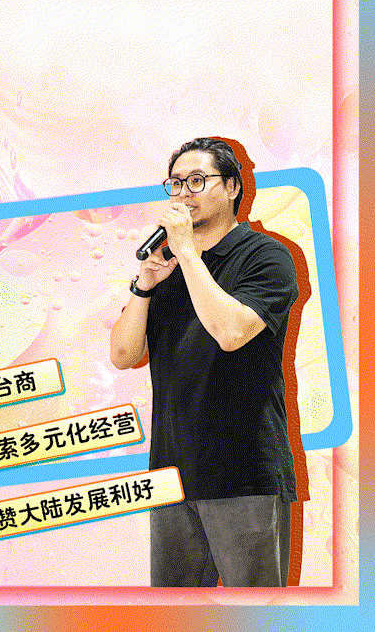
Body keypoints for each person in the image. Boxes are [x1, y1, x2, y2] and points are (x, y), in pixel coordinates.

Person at [110, 137, 309, 587]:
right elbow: (122, 355)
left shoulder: (266, 256)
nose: (184, 193)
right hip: (172, 475)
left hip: (244, 475)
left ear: (233, 187)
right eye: (176, 183)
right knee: (174, 613)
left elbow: (231, 332)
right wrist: (144, 283)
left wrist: (187, 254)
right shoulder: (167, 265)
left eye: (198, 180)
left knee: (255, 610)